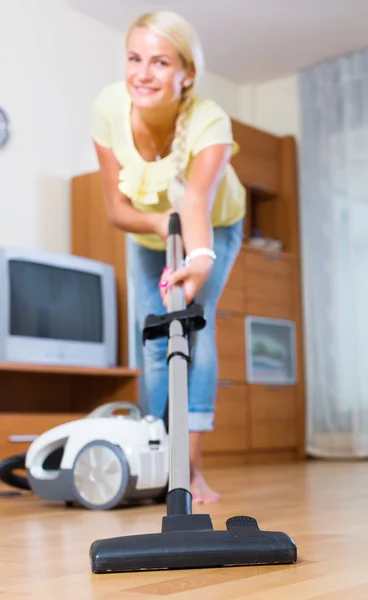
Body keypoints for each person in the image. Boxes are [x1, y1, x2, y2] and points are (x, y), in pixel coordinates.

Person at [91, 9, 246, 503]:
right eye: (134, 58)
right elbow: (117, 210)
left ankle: (190, 469)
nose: (142, 73)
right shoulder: (109, 109)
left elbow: (195, 202)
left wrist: (199, 257)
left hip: (214, 228)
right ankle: (156, 459)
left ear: (187, 74)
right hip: (149, 230)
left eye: (159, 62)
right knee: (154, 334)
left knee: (193, 327)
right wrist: (159, 225)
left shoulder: (209, 121)